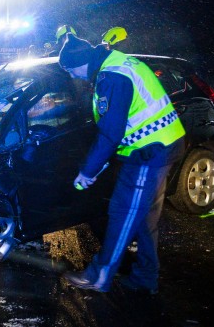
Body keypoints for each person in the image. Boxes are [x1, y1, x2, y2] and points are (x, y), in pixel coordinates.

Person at [58, 33, 185, 294]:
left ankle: (99, 276)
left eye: (72, 70)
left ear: (82, 62)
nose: (74, 77)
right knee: (143, 218)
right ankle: (146, 278)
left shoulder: (111, 76)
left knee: (122, 213)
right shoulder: (120, 63)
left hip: (148, 154)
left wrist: (87, 170)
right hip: (165, 145)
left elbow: (111, 132)